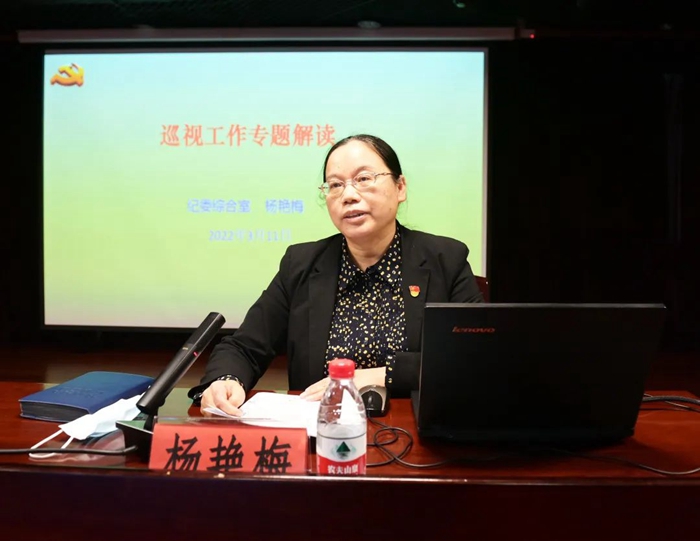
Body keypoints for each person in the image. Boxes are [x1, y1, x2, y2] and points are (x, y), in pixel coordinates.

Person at [189, 134, 483, 415]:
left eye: (364, 179)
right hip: (321, 431)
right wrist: (226, 380)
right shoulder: (301, 264)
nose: (348, 195)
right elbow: (244, 347)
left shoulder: (445, 260)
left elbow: (472, 356)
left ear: (400, 188)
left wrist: (379, 375)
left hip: (414, 432)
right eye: (335, 185)